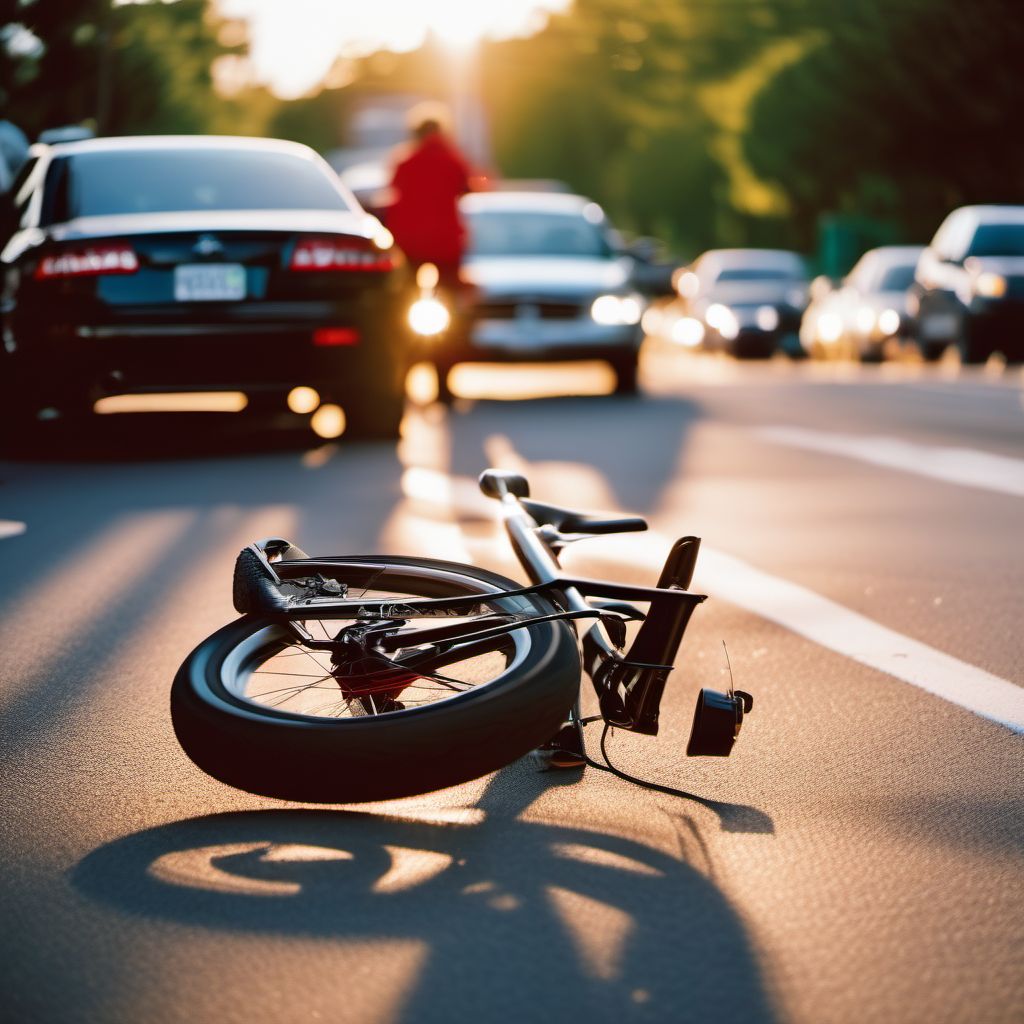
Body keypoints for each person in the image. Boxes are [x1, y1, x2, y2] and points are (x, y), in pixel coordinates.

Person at [386, 107, 474, 403]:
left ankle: (402, 379)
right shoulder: (454, 160)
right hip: (446, 247)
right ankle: (445, 386)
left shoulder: (405, 161)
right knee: (451, 315)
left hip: (410, 246)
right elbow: (469, 189)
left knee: (403, 312)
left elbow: (394, 194)